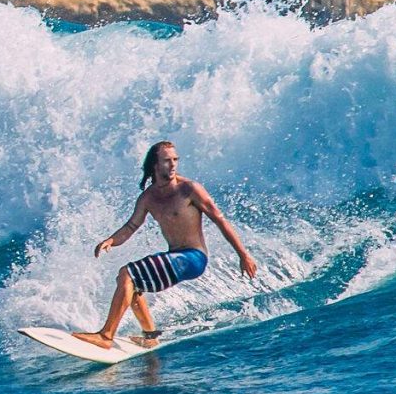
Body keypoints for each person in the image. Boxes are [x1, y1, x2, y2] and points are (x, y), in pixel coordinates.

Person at [72, 140, 258, 350]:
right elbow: (131, 226)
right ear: (154, 165)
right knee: (129, 284)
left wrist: (243, 255)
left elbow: (220, 219)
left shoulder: (189, 189)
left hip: (193, 258)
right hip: (175, 257)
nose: (173, 165)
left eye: (175, 160)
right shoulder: (148, 197)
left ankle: (106, 336)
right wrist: (111, 241)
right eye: (167, 161)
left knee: (128, 274)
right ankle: (150, 336)